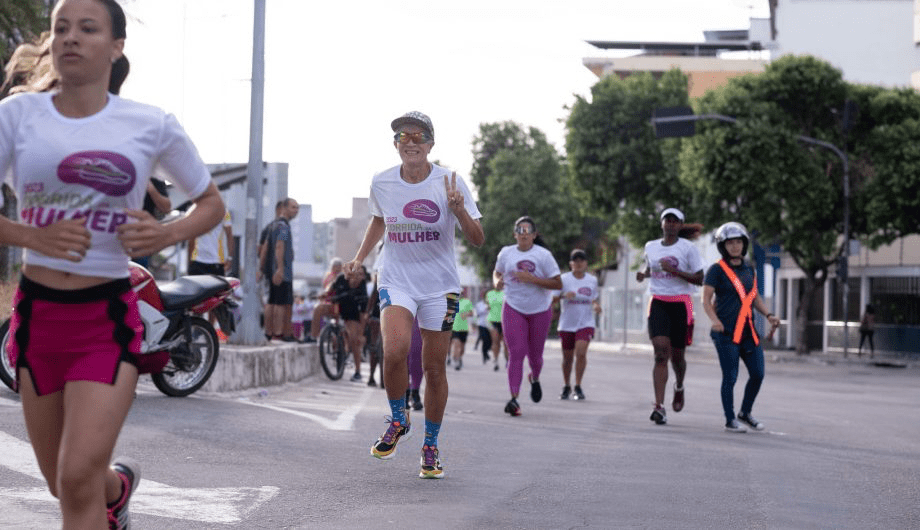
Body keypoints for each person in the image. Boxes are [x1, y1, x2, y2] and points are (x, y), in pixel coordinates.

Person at [0, 1, 226, 527]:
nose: (70, 38)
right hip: (38, 317)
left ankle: (105, 488)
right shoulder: (16, 116)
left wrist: (164, 232)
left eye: (87, 28)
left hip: (105, 316)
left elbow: (212, 203)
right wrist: (32, 235)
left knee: (77, 475)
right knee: (67, 482)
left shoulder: (148, 123)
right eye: (61, 28)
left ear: (117, 46)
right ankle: (117, 490)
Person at [345, 111, 483, 479]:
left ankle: (431, 445)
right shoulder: (383, 182)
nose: (410, 142)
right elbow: (379, 219)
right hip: (396, 279)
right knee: (394, 351)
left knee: (434, 368)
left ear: (430, 144)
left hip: (440, 285)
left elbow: (477, 237)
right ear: (396, 145)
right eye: (402, 137)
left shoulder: (451, 182)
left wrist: (458, 211)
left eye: (418, 136)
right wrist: (359, 258)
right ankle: (398, 419)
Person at [702, 222, 780, 433]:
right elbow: (706, 300)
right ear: (723, 246)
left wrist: (769, 315)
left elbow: (753, 298)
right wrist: (714, 320)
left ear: (744, 245)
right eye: (730, 243)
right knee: (730, 376)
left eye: (738, 242)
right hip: (725, 333)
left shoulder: (749, 269)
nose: (735, 247)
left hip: (748, 332)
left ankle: (745, 413)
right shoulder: (716, 270)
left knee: (758, 374)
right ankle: (730, 420)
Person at [636, 207, 705, 426]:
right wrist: (643, 274)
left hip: (681, 304)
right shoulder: (651, 246)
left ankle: (679, 385)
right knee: (660, 354)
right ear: (662, 223)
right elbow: (651, 267)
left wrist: (675, 272)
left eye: (676, 221)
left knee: (677, 357)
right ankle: (659, 406)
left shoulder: (689, 249)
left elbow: (700, 278)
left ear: (680, 225)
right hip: (658, 302)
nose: (671, 224)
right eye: (668, 220)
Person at [493, 216, 562, 417]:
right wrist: (497, 281)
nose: (523, 234)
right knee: (517, 352)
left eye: (527, 230)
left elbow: (558, 284)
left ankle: (535, 377)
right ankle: (514, 398)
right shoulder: (506, 253)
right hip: (514, 307)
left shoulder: (544, 255)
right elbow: (497, 273)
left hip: (540, 309)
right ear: (515, 234)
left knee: (535, 357)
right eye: (519, 230)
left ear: (534, 234)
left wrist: (533, 279)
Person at [556, 249, 601, 400]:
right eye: (575, 260)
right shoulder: (563, 279)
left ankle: (578, 386)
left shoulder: (592, 280)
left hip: (585, 323)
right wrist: (563, 296)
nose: (579, 263)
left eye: (581, 260)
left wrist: (596, 305)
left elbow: (593, 298)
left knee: (581, 353)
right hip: (567, 323)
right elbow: (552, 299)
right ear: (571, 264)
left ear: (586, 263)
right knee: (567, 358)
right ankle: (566, 385)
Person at [187, 206, 234, 340]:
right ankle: (197, 328)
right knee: (195, 299)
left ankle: (210, 329)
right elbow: (191, 236)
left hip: (216, 261)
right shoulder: (194, 209)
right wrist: (189, 261)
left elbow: (229, 234)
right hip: (197, 260)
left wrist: (230, 257)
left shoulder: (223, 210)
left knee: (215, 299)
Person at [328, 265, 370, 381]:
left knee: (354, 340)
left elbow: (363, 313)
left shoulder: (362, 288)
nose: (360, 277)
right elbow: (329, 290)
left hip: (352, 314)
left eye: (362, 275)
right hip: (338, 307)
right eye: (358, 274)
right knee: (319, 310)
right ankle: (315, 337)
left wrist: (360, 334)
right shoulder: (341, 278)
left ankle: (357, 371)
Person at [266, 198, 299, 342]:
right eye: (293, 207)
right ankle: (278, 333)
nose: (296, 211)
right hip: (282, 272)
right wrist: (280, 269)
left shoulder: (273, 225)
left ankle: (270, 332)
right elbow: (279, 246)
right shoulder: (283, 227)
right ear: (284, 208)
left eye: (297, 208)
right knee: (280, 303)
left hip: (274, 270)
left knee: (273, 301)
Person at [132, 177, 170, 268]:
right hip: (113, 229)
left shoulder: (154, 176)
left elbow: (166, 207)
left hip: (142, 235)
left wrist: (150, 188)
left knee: (140, 272)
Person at [258, 200, 283, 339]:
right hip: (274, 271)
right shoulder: (278, 227)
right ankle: (273, 333)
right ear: (280, 209)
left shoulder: (270, 227)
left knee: (272, 302)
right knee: (275, 303)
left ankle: (270, 332)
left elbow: (261, 249)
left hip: (270, 271)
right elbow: (263, 248)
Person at [310, 257, 344, 340]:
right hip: (330, 303)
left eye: (338, 266)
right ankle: (314, 336)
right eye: (334, 266)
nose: (336, 267)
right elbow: (326, 290)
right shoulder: (328, 276)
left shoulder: (343, 276)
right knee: (317, 308)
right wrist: (321, 295)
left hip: (341, 304)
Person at [449, 288, 474, 370]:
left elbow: (471, 313)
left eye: (461, 293)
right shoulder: (452, 302)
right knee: (456, 345)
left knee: (462, 348)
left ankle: (459, 358)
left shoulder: (467, 302)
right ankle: (456, 361)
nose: (459, 294)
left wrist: (466, 314)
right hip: (454, 328)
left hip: (464, 329)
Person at [486, 285, 507, 372]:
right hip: (493, 320)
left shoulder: (506, 293)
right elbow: (488, 306)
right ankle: (496, 361)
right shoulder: (489, 294)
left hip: (505, 321)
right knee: (495, 341)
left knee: (506, 343)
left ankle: (508, 361)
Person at [473, 290, 493, 364]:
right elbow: (477, 313)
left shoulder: (492, 303)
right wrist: (486, 309)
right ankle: (484, 355)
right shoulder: (479, 304)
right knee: (484, 340)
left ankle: (486, 351)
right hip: (481, 324)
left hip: (490, 324)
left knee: (490, 341)